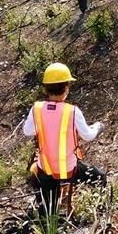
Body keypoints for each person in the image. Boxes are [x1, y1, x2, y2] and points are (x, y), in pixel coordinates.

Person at [23, 62, 106, 216]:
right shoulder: (72, 111)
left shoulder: (37, 109)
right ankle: (101, 214)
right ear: (66, 88)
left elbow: (27, 131)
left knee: (48, 211)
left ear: (46, 88)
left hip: (46, 169)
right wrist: (98, 126)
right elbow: (88, 135)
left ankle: (48, 225)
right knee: (100, 177)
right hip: (69, 168)